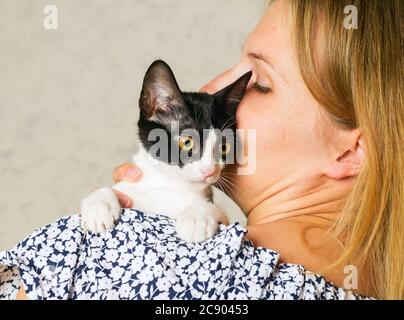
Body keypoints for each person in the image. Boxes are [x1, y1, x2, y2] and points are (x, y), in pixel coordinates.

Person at [1, 0, 402, 300]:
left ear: (349, 152)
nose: (211, 90)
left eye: (259, 82)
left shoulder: (108, 254)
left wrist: (109, 246)